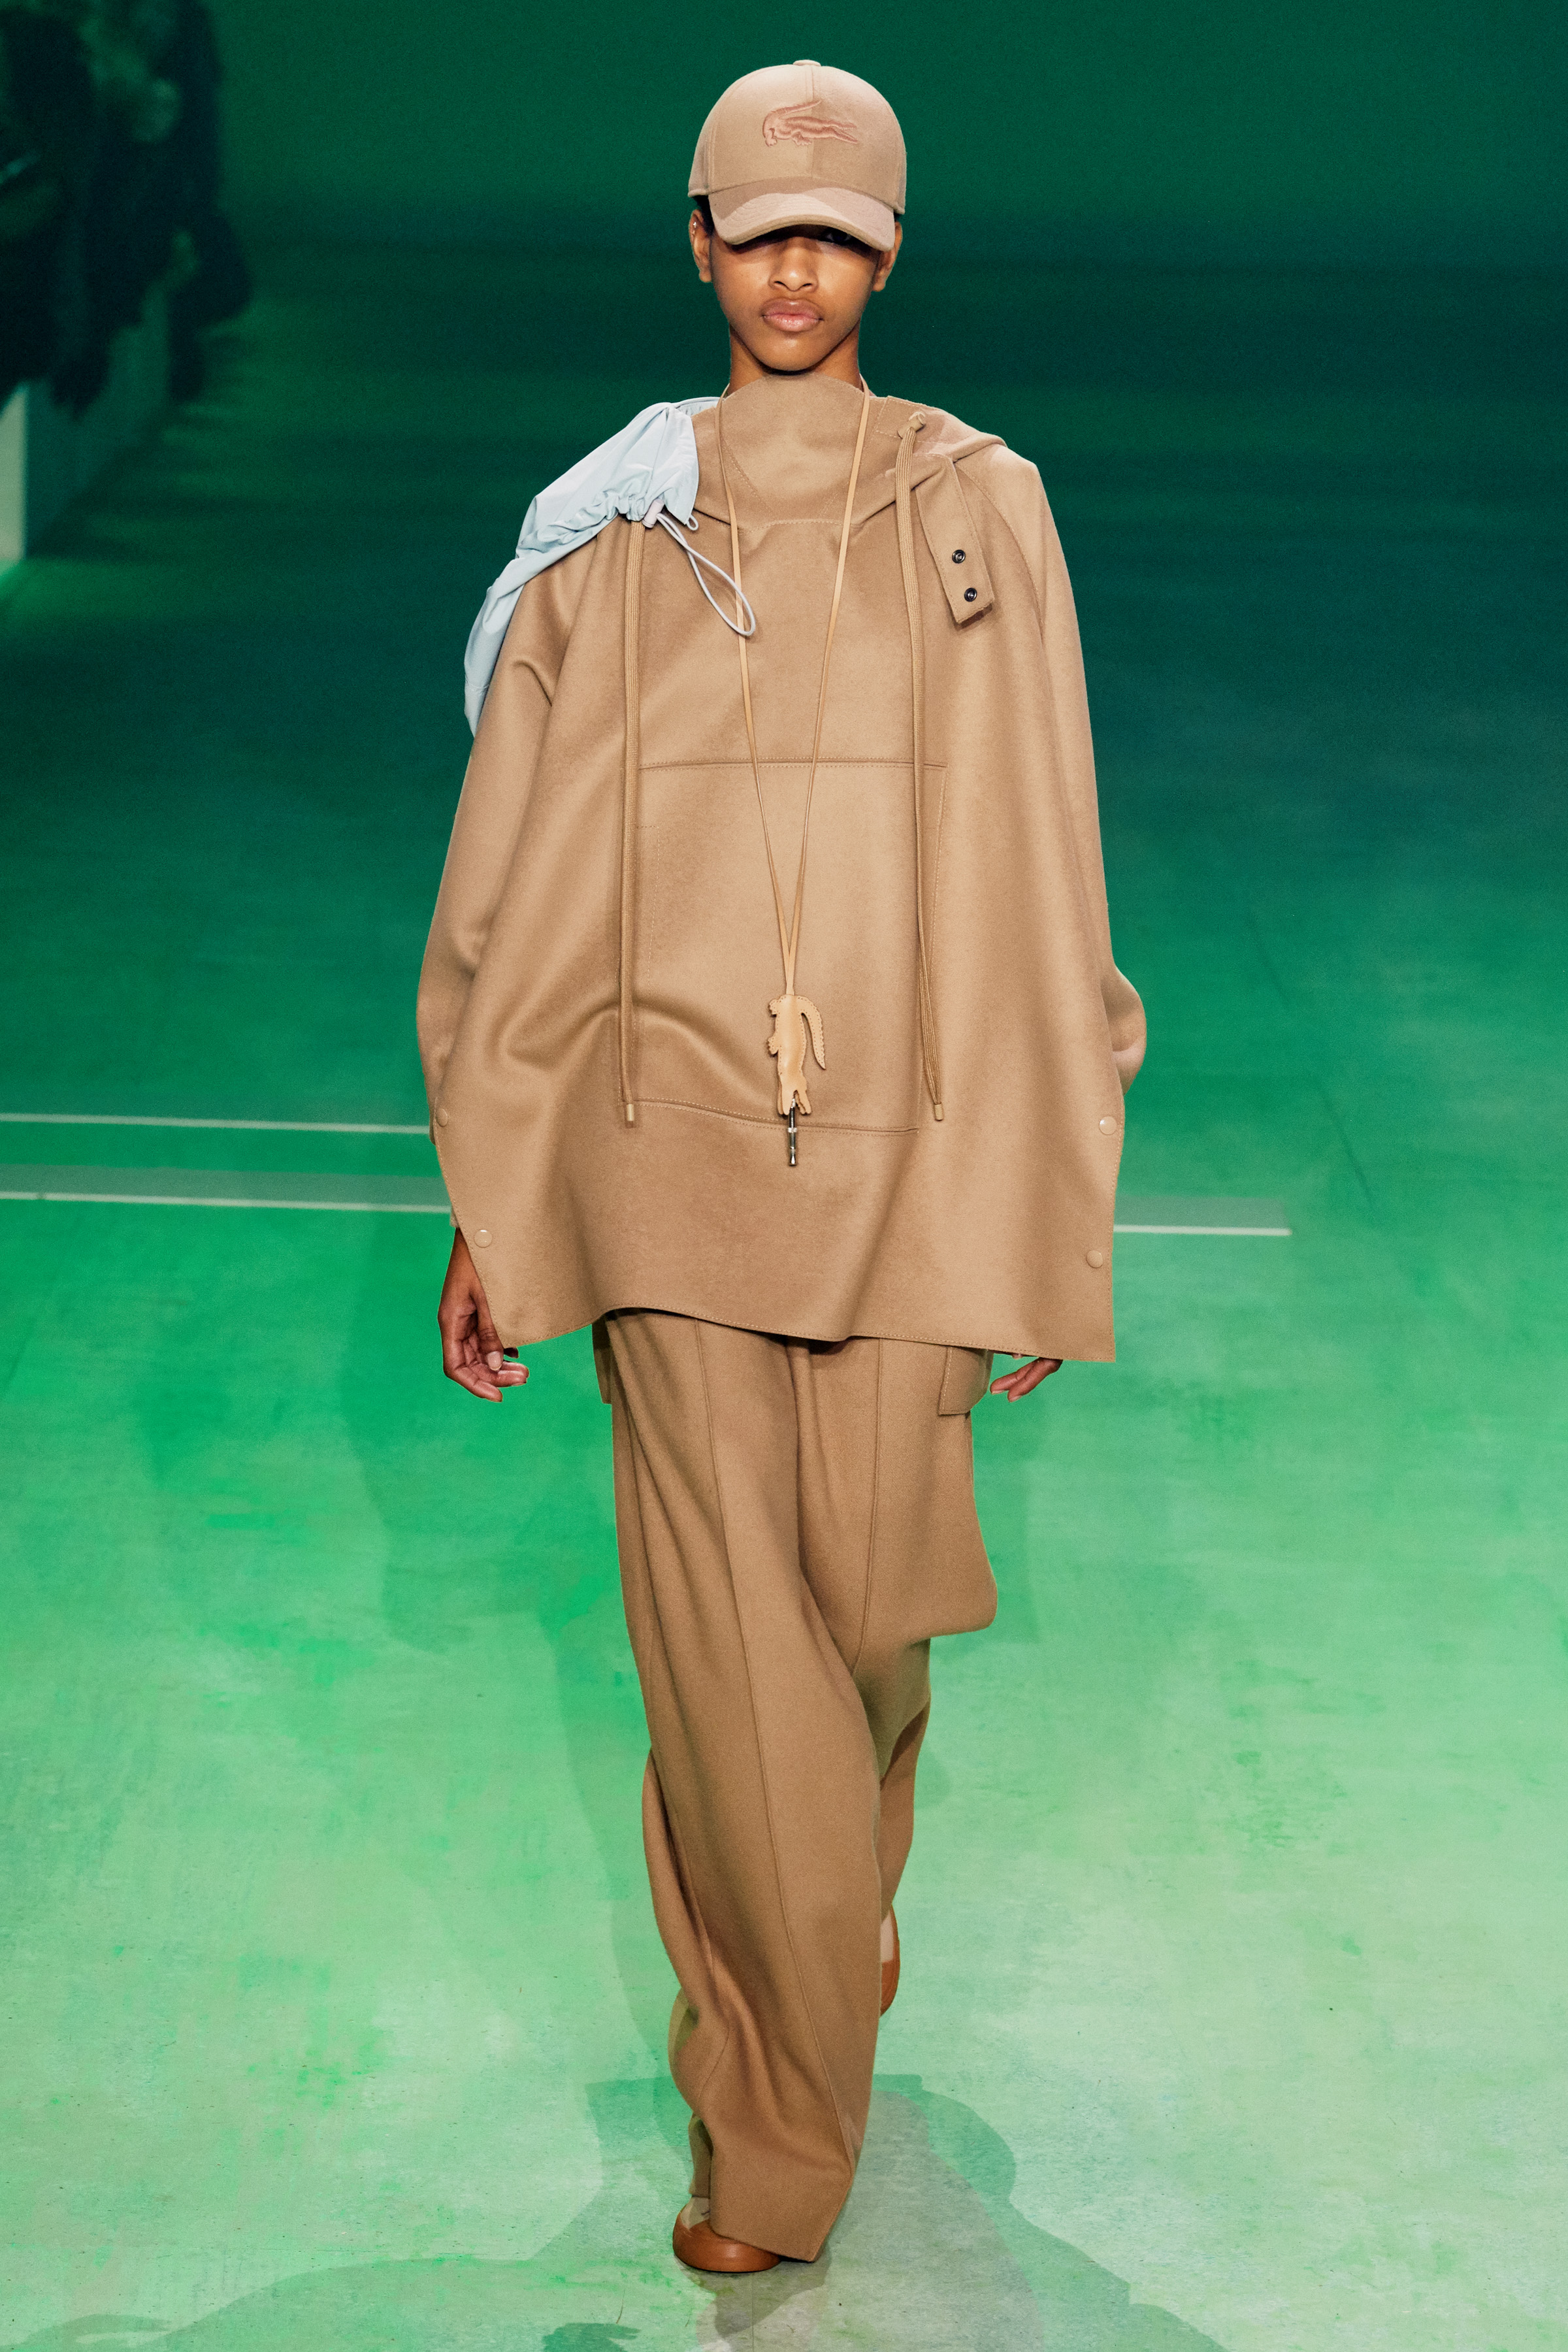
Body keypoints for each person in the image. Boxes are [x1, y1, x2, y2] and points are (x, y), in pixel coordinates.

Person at [418, 59, 1145, 2276]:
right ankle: (779, 2124)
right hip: (662, 1163)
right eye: (763, 230)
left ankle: (810, 1943)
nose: (798, 269)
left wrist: (1050, 1181)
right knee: (734, 1669)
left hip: (920, 1165)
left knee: (862, 1638)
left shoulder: (980, 507)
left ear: (892, 254)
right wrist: (496, 1185)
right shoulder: (610, 532)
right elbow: (516, 869)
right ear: (702, 244)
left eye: (840, 233)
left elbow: (1046, 842)